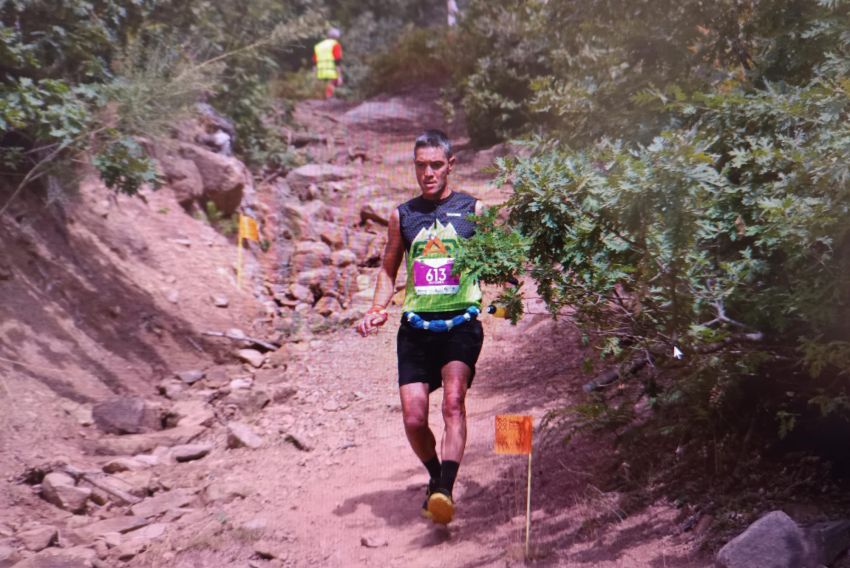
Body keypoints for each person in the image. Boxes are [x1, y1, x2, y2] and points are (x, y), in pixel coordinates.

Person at [357, 129, 485, 525]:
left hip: (460, 324)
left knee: (452, 402)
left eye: (435, 165)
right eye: (420, 166)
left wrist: (508, 286)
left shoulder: (473, 211)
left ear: (450, 165)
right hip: (415, 327)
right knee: (414, 418)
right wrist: (378, 306)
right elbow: (387, 266)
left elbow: (499, 257)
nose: (427, 173)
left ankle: (445, 489)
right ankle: (435, 477)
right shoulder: (402, 215)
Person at [313, 28, 343, 99]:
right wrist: (339, 75)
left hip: (320, 71)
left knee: (323, 89)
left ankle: (324, 100)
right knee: (331, 87)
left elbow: (314, 61)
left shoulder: (319, 45)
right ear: (336, 37)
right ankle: (328, 100)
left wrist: (314, 73)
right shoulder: (336, 45)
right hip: (331, 71)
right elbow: (337, 61)